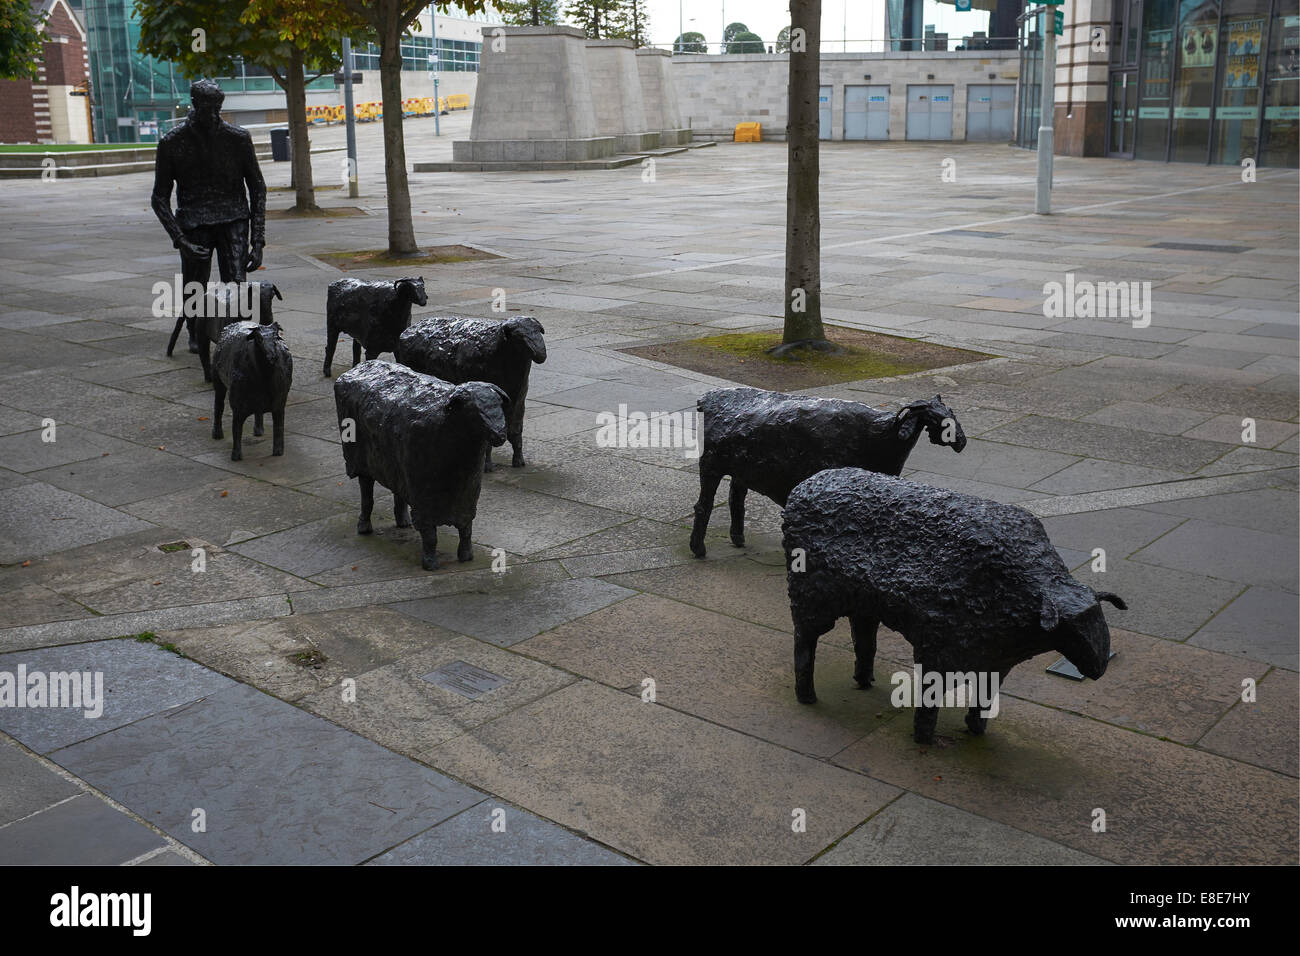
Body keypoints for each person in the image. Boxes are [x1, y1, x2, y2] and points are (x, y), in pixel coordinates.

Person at [152, 78, 266, 360]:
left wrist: (258, 240)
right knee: (195, 284)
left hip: (233, 219)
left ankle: (238, 331)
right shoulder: (172, 143)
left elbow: (257, 187)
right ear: (194, 105)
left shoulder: (237, 138)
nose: (214, 114)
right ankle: (196, 332)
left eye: (218, 108)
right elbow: (159, 198)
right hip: (194, 223)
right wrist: (179, 240)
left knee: (236, 284)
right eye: (207, 108)